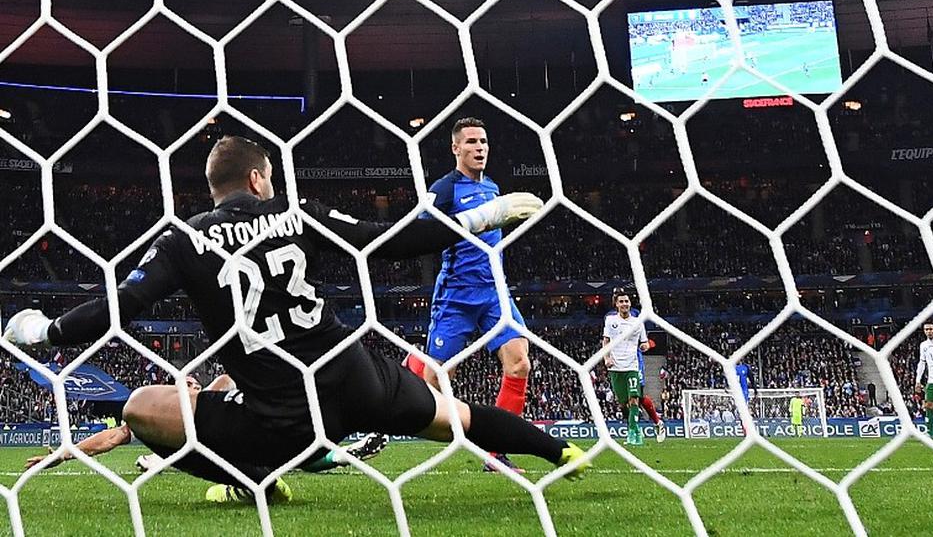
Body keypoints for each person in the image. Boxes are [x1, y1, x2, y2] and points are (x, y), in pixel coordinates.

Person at [4, 135, 587, 504]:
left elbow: (117, 307)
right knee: (458, 418)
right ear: (258, 179)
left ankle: (251, 482)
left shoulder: (184, 240)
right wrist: (483, 215)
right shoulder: (293, 212)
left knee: (139, 407)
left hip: (281, 417)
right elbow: (386, 241)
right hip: (354, 377)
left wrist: (43, 331)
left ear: (214, 188)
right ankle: (559, 452)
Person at [415, 117, 534, 473]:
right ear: (456, 148)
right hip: (457, 295)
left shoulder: (494, 188)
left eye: (483, 141)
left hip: (495, 291)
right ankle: (409, 371)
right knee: (435, 379)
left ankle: (496, 453)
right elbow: (421, 229)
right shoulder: (445, 189)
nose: (479, 147)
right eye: (471, 142)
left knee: (520, 362)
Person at [25, 373, 389, 480]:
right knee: (275, 470)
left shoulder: (216, 394)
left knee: (282, 458)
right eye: (185, 384)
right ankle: (341, 455)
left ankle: (342, 455)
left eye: (193, 383)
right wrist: (65, 454)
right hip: (213, 455)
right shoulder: (160, 415)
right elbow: (114, 435)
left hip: (235, 442)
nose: (192, 386)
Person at [602, 290, 650, 446]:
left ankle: (633, 433)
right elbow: (606, 341)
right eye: (621, 301)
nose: (624, 304)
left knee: (634, 398)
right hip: (616, 367)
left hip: (632, 366)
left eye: (626, 301)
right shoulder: (610, 321)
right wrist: (606, 358)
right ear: (616, 304)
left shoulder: (638, 322)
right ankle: (633, 427)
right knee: (623, 403)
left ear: (630, 303)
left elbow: (645, 342)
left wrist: (645, 346)